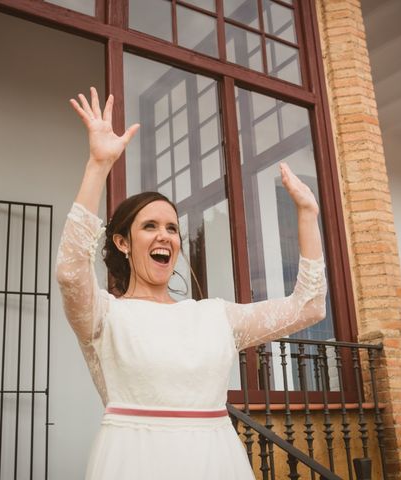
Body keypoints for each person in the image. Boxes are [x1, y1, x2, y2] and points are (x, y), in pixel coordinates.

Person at [56, 87, 327, 479]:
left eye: (172, 228)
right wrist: (99, 165)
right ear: (122, 242)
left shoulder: (215, 316)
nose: (165, 235)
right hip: (134, 464)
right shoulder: (103, 316)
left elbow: (310, 307)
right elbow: (69, 272)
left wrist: (306, 215)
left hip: (218, 463)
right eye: (149, 226)